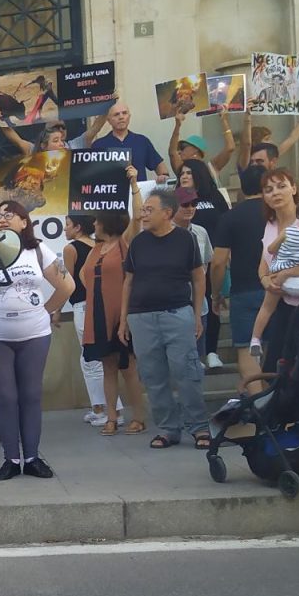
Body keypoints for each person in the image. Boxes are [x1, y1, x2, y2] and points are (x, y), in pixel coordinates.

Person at [0, 200, 75, 479]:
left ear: (25, 222)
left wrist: (45, 311)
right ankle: (11, 458)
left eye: (9, 215)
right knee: (5, 396)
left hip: (34, 334)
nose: (2, 219)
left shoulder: (37, 250)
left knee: (31, 394)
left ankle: (33, 457)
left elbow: (67, 285)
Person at [119, 190, 208, 449]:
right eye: (143, 210)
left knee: (186, 372)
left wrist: (197, 313)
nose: (143, 215)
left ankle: (199, 427)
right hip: (141, 317)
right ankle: (168, 429)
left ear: (167, 213)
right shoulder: (138, 242)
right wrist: (124, 319)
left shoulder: (186, 240)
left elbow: (199, 277)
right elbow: (128, 281)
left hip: (177, 314)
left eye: (149, 210)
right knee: (152, 375)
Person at [81, 201, 149, 437]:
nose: (94, 224)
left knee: (129, 367)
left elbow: (137, 216)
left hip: (121, 313)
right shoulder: (94, 249)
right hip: (98, 314)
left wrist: (133, 184)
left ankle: (139, 417)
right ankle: (112, 417)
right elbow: (83, 275)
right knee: (107, 367)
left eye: (98, 220)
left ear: (107, 222)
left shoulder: (125, 242)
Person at [250, 187, 299, 359]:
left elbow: (270, 250)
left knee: (267, 307)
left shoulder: (289, 231)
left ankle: (255, 338)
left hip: (282, 278)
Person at [211, 164, 267, 387]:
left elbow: (218, 262)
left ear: (242, 188)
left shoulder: (230, 217)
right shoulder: (277, 212)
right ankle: (278, 409)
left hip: (243, 291)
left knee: (245, 350)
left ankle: (259, 407)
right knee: (274, 350)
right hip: (277, 288)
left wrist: (216, 294)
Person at [63, 213, 120, 426]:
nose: (65, 229)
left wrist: (57, 309)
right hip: (99, 304)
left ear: (78, 227)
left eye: (67, 225)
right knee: (97, 359)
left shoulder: (72, 249)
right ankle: (105, 407)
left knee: (92, 359)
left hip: (84, 305)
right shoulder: (100, 246)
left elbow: (68, 279)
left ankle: (105, 409)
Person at [174, 188, 215, 357]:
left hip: (199, 305)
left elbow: (205, 267)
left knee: (198, 359)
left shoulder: (201, 232)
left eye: (194, 204)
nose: (190, 208)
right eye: (185, 204)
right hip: (174, 304)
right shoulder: (163, 233)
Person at [87, 102, 169, 179]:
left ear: (129, 116)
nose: (121, 117)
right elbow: (92, 175)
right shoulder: (98, 145)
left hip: (139, 192)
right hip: (113, 193)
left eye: (124, 113)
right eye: (116, 114)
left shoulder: (142, 141)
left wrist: (164, 176)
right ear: (109, 120)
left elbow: (159, 165)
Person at [236, 109, 299, 179]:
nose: (271, 142)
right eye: (267, 139)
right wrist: (247, 118)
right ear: (256, 141)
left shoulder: (270, 154)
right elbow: (247, 145)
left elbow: (292, 138)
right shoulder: (245, 159)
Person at [168, 106, 234, 177]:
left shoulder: (210, 169)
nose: (179, 152)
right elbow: (172, 153)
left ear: (195, 150)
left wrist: (224, 119)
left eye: (183, 147)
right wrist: (177, 125)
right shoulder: (181, 170)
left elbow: (230, 148)